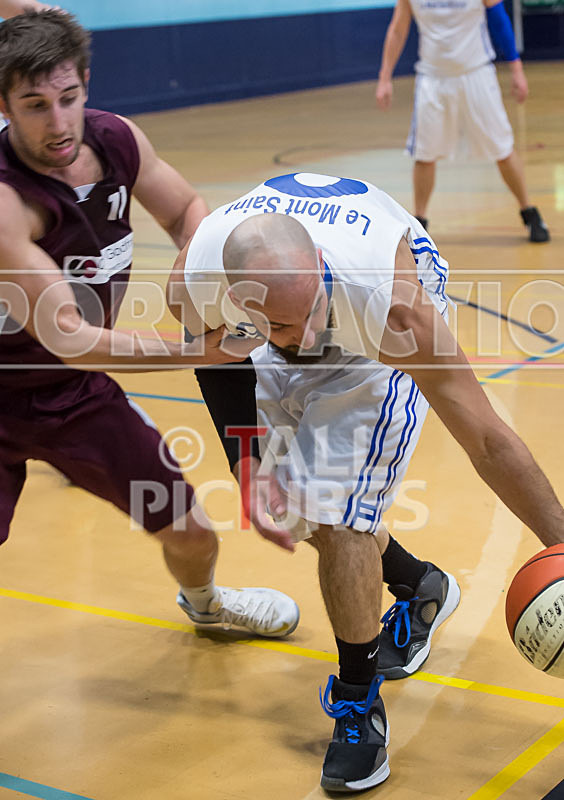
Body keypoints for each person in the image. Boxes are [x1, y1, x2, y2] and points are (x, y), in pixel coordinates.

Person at [167, 171, 564, 791]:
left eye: (308, 314)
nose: (303, 338)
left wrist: (561, 543)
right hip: (288, 315)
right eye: (282, 326)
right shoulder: (195, 285)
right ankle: (419, 585)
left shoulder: (395, 309)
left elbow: (487, 440)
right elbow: (215, 360)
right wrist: (248, 467)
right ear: (240, 302)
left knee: (339, 514)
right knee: (291, 507)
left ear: (319, 265)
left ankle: (358, 704)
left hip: (370, 341)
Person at [0, 10, 300, 639]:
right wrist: (198, 350)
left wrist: (196, 263)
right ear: (4, 106)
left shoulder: (118, 141)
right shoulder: (7, 201)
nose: (58, 122)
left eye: (68, 98)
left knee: (190, 531)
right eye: (35, 106)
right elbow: (68, 336)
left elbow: (187, 206)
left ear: (85, 82)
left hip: (70, 395)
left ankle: (206, 605)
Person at [375, 0, 550, 243]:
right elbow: (398, 29)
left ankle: (529, 212)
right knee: (424, 154)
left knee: (502, 149)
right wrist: (385, 77)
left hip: (477, 73)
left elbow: (498, 19)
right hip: (432, 79)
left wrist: (516, 69)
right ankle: (420, 223)